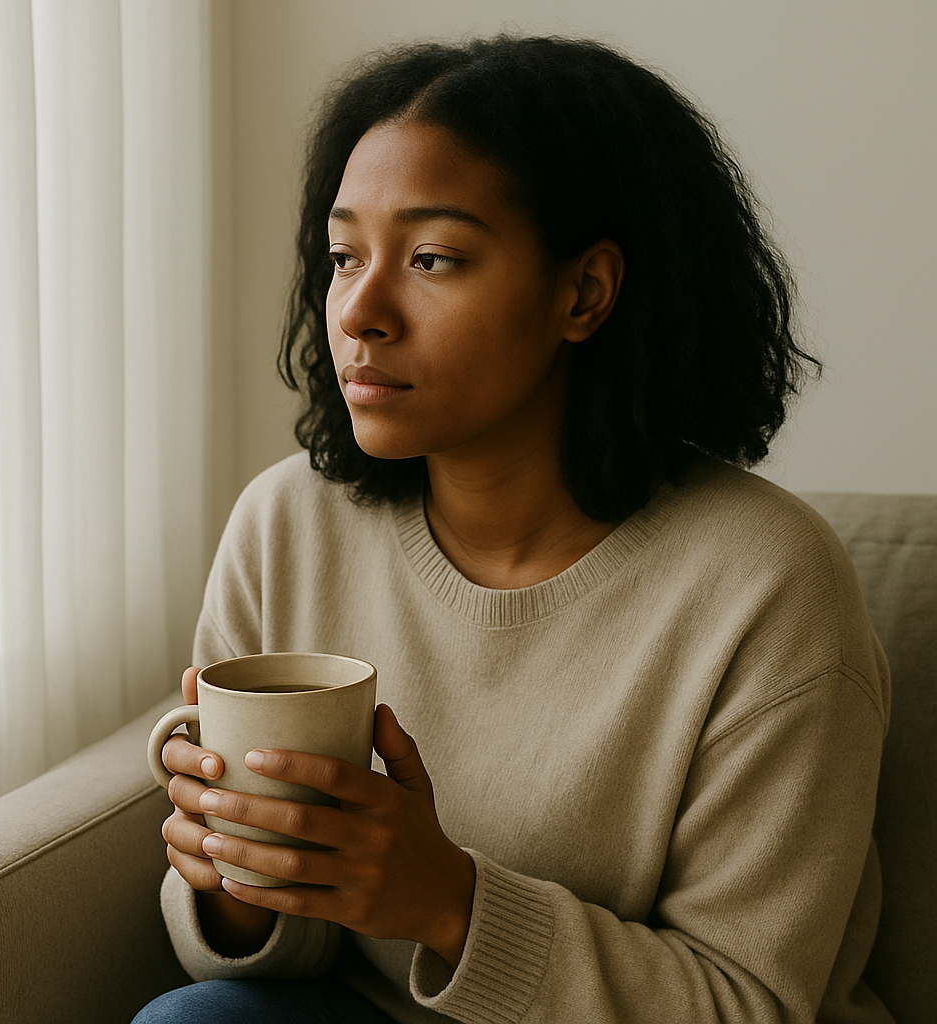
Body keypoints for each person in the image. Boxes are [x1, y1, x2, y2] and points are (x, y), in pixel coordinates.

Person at [133, 35, 892, 1024]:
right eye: (342, 256)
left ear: (583, 293)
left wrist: (452, 903)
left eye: (432, 258)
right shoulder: (288, 523)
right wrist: (236, 875)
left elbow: (746, 1002)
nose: (359, 311)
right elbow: (274, 955)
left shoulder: (766, 585)